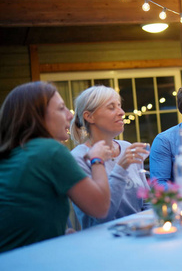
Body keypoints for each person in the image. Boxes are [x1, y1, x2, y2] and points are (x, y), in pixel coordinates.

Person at [0, 82, 111, 253]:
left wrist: (59, 233)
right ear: (37, 117)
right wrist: (97, 159)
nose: (69, 115)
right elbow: (100, 207)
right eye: (61, 109)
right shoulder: (49, 150)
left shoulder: (15, 154)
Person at [70, 85, 150, 229]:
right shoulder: (78, 159)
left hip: (140, 235)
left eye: (119, 106)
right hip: (104, 242)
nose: (121, 112)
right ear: (89, 116)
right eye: (111, 107)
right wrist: (121, 168)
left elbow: (146, 200)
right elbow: (102, 216)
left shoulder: (126, 147)